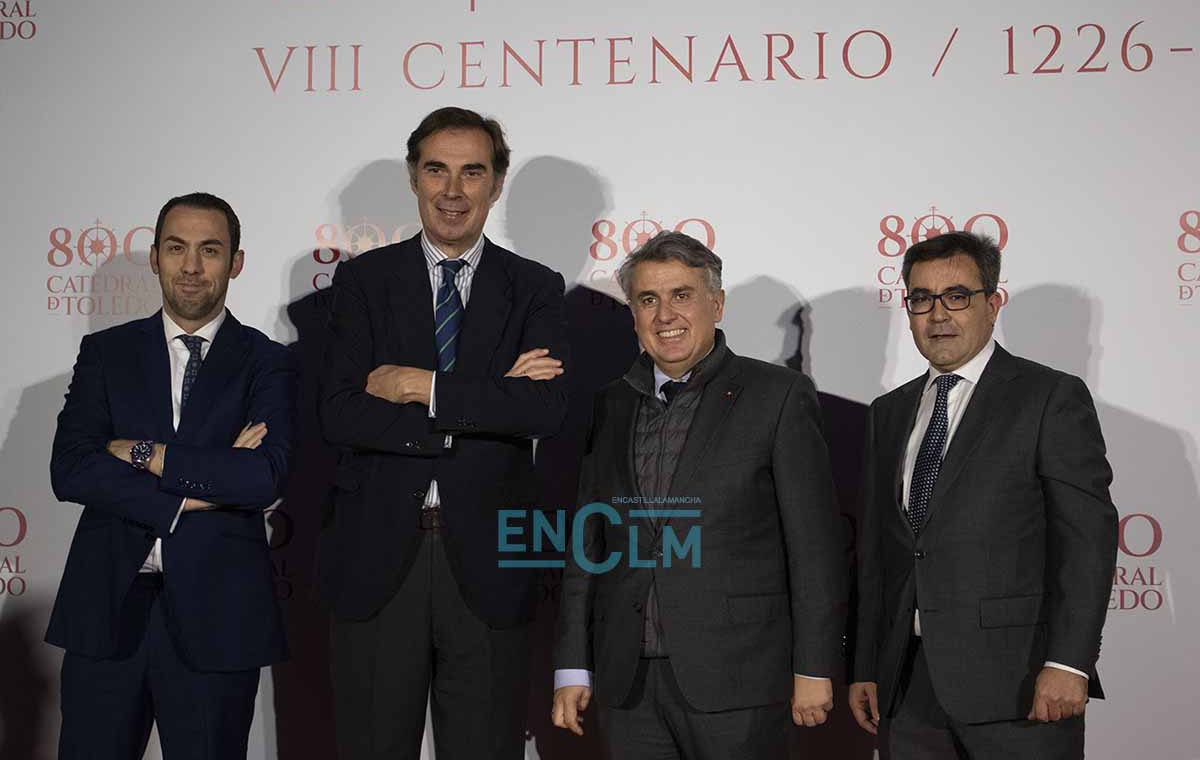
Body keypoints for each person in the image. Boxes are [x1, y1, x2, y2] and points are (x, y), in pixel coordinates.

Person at [317, 106, 569, 759]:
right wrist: (484, 402)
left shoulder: (536, 288)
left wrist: (419, 386)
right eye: (437, 170)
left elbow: (543, 409)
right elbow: (339, 412)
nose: (453, 191)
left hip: (490, 568)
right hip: (378, 563)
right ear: (413, 177)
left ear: (497, 183)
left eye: (472, 172)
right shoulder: (363, 281)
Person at [552, 231, 846, 759]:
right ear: (634, 314)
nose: (665, 315)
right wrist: (573, 665)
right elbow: (587, 544)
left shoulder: (777, 396)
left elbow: (814, 547)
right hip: (628, 682)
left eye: (682, 295)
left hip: (740, 678)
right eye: (648, 299)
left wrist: (814, 665)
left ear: (717, 303)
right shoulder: (610, 404)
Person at [848, 231, 1117, 759]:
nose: (938, 315)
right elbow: (878, 555)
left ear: (992, 305)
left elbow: (1086, 542)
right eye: (922, 298)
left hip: (1020, 685)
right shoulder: (888, 412)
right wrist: (866, 666)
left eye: (957, 296)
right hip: (908, 688)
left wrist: (1069, 663)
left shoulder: (1050, 398)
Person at [48, 192, 295, 759]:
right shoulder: (106, 352)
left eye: (209, 250)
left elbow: (262, 477)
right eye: (177, 248)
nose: (191, 266)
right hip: (107, 608)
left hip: (220, 616)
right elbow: (71, 468)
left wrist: (140, 453)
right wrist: (193, 494)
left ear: (235, 262)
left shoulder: (268, 361)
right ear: (155, 257)